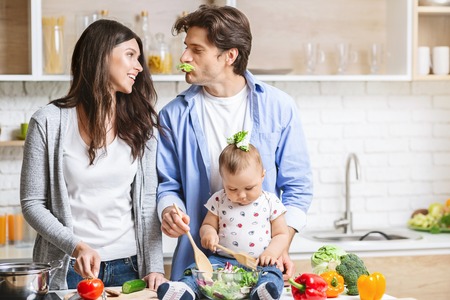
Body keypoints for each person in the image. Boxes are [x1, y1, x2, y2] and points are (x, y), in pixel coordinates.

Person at [157, 4, 313, 282]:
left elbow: (298, 187)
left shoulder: (279, 107)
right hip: (199, 263)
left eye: (197, 49)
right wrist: (169, 209)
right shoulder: (173, 115)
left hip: (260, 263)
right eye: (186, 47)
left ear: (230, 55)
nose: (184, 57)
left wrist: (281, 243)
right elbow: (167, 185)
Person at [20, 19, 166, 290]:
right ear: (101, 55)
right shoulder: (48, 122)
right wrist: (77, 247)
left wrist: (155, 266)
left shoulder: (142, 124)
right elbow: (32, 204)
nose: (139, 66)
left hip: (130, 267)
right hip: (70, 268)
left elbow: (147, 204)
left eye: (139, 58)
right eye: (130, 55)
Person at [157, 131, 289, 300]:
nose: (241, 195)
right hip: (222, 262)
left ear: (262, 175)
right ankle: (184, 290)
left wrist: (271, 252)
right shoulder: (219, 199)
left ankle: (262, 292)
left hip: (258, 263)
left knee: (273, 273)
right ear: (223, 180)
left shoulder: (271, 202)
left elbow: (281, 233)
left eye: (249, 188)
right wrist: (209, 234)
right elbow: (208, 225)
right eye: (232, 189)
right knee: (198, 271)